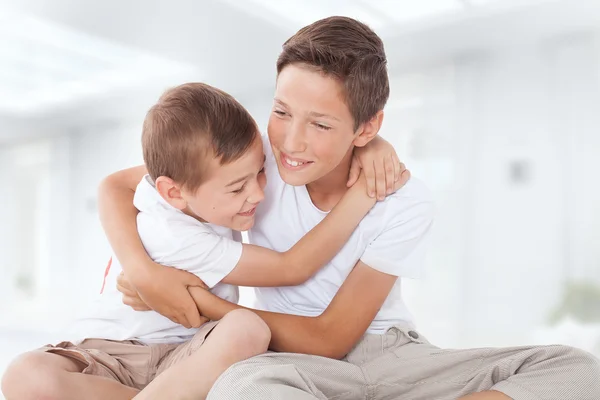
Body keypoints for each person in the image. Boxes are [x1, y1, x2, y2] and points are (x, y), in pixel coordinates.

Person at [56, 16, 600, 400]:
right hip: (288, 364)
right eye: (281, 111)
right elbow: (119, 186)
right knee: (242, 388)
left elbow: (332, 336)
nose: (290, 142)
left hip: (389, 355)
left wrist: (199, 298)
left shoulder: (401, 198)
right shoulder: (251, 160)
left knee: (577, 370)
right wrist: (147, 273)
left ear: (367, 128)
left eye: (320, 125)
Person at [0, 82, 405, 400]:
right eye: (237, 189)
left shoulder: (198, 167)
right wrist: (364, 194)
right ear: (173, 192)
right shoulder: (175, 235)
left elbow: (113, 184)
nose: (258, 194)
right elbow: (291, 267)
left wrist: (370, 145)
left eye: (260, 173)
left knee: (246, 328)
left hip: (189, 357)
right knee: (24, 376)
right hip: (109, 353)